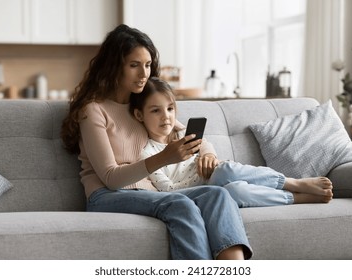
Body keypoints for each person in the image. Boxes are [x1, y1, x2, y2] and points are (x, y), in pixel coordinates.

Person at [61, 24, 252, 260]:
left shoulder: (141, 107)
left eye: (148, 65)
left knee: (218, 195)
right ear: (113, 66)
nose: (144, 74)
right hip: (106, 196)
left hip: (150, 193)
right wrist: (164, 157)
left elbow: (193, 138)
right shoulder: (94, 110)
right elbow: (110, 178)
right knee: (180, 205)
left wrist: (208, 154)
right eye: (134, 65)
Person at [129, 77, 334, 207]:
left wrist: (208, 157)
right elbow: (167, 191)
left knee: (226, 173)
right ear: (139, 115)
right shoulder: (148, 154)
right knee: (233, 192)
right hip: (201, 191)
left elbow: (208, 150)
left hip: (219, 176)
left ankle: (292, 183)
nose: (165, 117)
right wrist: (201, 179)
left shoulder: (183, 133)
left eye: (170, 109)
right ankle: (295, 198)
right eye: (155, 111)